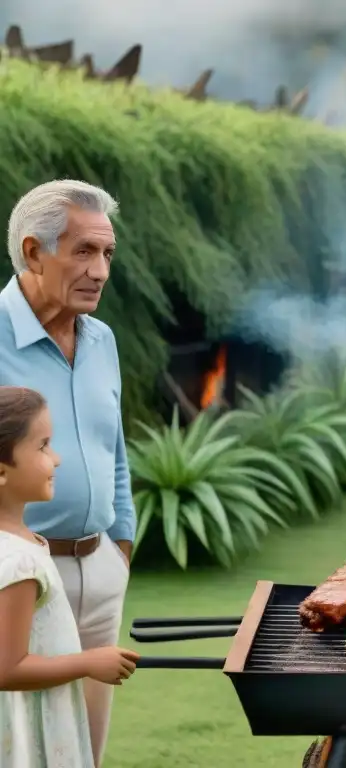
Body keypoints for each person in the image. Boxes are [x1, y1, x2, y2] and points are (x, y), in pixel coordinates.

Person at [0, 180, 135, 766]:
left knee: (82, 750)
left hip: (100, 567)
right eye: (83, 251)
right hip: (16, 579)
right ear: (33, 252)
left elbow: (117, 451)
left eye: (106, 253)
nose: (100, 270)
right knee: (21, 743)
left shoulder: (102, 339)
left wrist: (120, 545)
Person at [0, 386, 139, 768]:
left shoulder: (19, 543)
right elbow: (7, 668)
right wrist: (89, 662)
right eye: (43, 446)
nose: (57, 459)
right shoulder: (17, 564)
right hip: (32, 733)